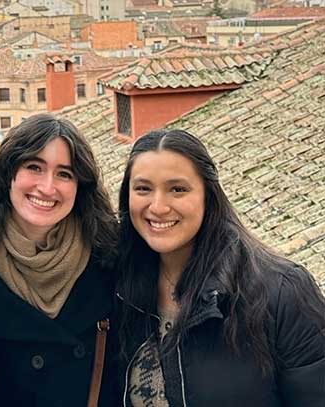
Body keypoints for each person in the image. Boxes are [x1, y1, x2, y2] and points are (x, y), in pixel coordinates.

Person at [114, 129, 325, 406]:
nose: (158, 206)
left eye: (178, 189)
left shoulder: (282, 293)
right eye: (143, 188)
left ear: (208, 196)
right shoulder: (118, 289)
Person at [0, 113, 118, 407]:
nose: (47, 188)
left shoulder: (111, 254)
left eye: (64, 173)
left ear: (80, 185)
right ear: (9, 172)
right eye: (34, 167)